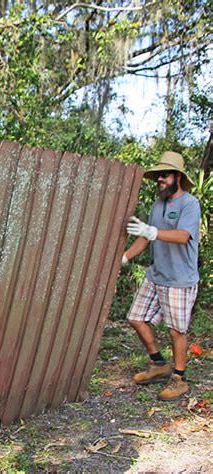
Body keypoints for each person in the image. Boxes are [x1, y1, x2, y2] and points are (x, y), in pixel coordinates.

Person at [122, 151, 200, 401]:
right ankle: (158, 364)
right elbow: (146, 237)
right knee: (135, 318)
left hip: (179, 279)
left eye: (165, 175)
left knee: (176, 331)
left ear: (177, 176)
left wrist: (153, 231)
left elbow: (183, 236)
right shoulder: (159, 205)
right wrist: (124, 257)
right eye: (158, 176)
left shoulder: (190, 204)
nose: (160, 180)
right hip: (156, 275)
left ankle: (179, 379)